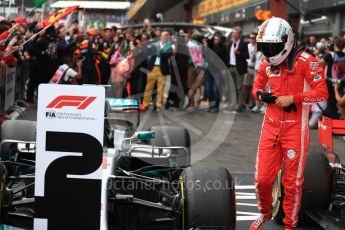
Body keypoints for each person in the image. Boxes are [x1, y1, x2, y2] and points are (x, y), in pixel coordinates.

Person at [250, 17, 328, 230]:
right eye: (265, 46)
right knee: (262, 180)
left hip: (295, 129)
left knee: (292, 183)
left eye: (273, 45)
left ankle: (289, 225)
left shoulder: (306, 61)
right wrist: (262, 96)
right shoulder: (266, 62)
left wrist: (294, 98)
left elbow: (322, 93)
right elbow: (255, 89)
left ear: (287, 41)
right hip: (270, 126)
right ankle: (265, 213)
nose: (268, 50)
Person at [143, 31, 172, 111]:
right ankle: (145, 104)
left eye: (164, 36)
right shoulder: (155, 45)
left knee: (160, 88)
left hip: (162, 69)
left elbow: (167, 56)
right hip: (152, 67)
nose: (162, 37)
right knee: (148, 87)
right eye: (161, 36)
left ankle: (158, 105)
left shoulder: (169, 47)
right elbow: (149, 52)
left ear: (167, 37)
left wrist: (160, 50)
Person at [226, 27, 249, 113]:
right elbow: (227, 56)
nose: (234, 35)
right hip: (231, 67)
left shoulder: (243, 44)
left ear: (239, 35)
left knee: (239, 87)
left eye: (236, 34)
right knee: (232, 87)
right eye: (233, 34)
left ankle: (240, 106)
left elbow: (247, 56)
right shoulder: (230, 44)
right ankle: (232, 104)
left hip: (239, 68)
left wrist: (239, 53)